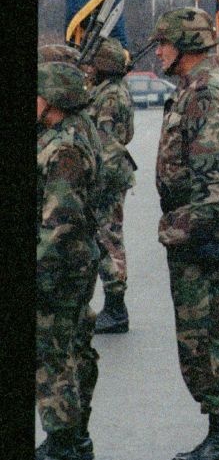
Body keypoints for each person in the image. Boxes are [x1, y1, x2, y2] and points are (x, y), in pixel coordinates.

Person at [150, 7, 219, 460]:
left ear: (185, 45)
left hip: (203, 232)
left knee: (206, 336)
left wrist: (199, 231)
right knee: (203, 335)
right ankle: (218, 433)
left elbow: (212, 173)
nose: (160, 51)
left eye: (165, 43)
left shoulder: (206, 90)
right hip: (195, 228)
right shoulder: (195, 87)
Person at [36, 61, 103, 460]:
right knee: (73, 348)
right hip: (75, 261)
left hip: (59, 265)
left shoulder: (64, 148)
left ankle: (63, 451)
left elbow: (59, 222)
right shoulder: (72, 133)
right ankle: (73, 436)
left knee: (51, 353)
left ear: (54, 99)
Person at [83, 37, 136, 334]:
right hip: (114, 172)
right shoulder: (111, 90)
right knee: (106, 236)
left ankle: (116, 309)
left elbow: (106, 142)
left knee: (108, 239)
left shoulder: (110, 96)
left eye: (93, 64)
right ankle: (113, 306)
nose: (89, 69)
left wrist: (95, 179)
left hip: (108, 175)